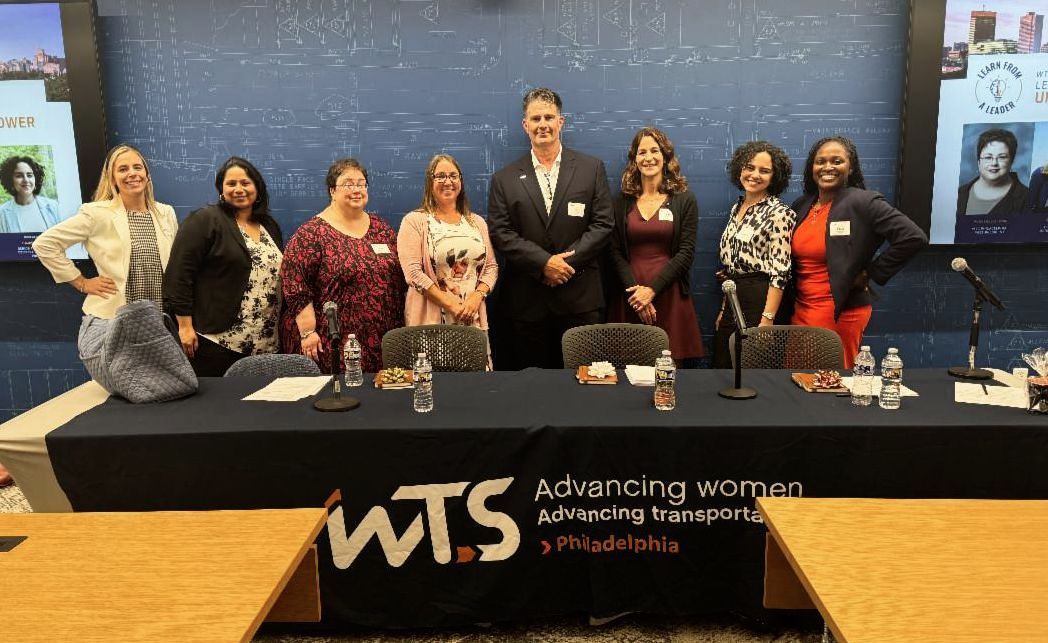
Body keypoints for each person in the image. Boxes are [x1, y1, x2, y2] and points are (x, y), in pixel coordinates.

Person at [488, 87, 614, 368]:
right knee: (532, 386)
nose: (542, 124)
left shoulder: (591, 169)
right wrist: (544, 263)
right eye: (536, 119)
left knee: (584, 383)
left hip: (580, 299)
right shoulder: (504, 179)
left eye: (548, 117)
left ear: (561, 121)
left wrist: (564, 265)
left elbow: (603, 225)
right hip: (527, 304)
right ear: (525, 125)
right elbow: (501, 232)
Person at [790, 136, 927, 368]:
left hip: (839, 310)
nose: (827, 167)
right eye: (820, 161)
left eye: (837, 161)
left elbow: (913, 237)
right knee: (797, 374)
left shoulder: (863, 202)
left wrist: (870, 273)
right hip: (800, 308)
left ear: (851, 167)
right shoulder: (802, 205)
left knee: (829, 379)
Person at [280, 158, 406, 374]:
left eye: (361, 184)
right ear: (332, 190)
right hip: (334, 341)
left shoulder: (381, 228)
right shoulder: (311, 233)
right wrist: (308, 332)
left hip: (383, 337)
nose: (356, 189)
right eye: (348, 184)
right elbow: (295, 284)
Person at [163, 157, 284, 377]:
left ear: (257, 187)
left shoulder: (269, 226)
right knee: (220, 399)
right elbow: (178, 276)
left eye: (245, 183)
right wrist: (185, 327)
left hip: (265, 342)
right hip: (217, 343)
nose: (239, 189)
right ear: (221, 190)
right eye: (231, 184)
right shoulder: (205, 220)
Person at [33, 143, 177, 320]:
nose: (132, 173)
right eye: (123, 169)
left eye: (137, 167)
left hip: (160, 316)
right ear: (112, 179)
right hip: (115, 318)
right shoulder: (97, 213)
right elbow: (45, 244)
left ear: (147, 175)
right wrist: (82, 283)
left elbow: (176, 265)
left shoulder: (165, 213)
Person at [607, 127, 704, 364]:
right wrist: (637, 294)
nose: (648, 158)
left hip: (669, 294)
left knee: (668, 369)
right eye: (642, 152)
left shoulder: (684, 199)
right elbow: (614, 251)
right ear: (634, 159)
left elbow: (686, 252)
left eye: (654, 151)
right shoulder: (620, 202)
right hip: (629, 296)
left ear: (665, 156)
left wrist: (651, 291)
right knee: (627, 367)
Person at [397, 154, 498, 355]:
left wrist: (476, 297)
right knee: (433, 373)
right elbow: (413, 273)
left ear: (461, 181)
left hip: (471, 317)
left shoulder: (476, 222)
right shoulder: (414, 221)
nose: (448, 181)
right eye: (440, 176)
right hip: (431, 321)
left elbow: (491, 268)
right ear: (430, 181)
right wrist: (450, 304)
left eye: (453, 176)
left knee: (475, 373)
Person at [712, 141, 797, 368]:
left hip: (761, 299)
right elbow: (731, 267)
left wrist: (767, 321)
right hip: (733, 296)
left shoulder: (780, 213)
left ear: (774, 177)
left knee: (752, 370)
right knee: (723, 365)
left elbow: (780, 272)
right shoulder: (736, 208)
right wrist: (724, 309)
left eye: (764, 170)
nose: (755, 175)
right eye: (749, 167)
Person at [957, 128, 1029, 216]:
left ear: (1011, 161)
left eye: (1002, 157)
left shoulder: (1027, 197)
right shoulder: (960, 193)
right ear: (979, 161)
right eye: (988, 157)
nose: (994, 163)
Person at [0, 155, 62, 233]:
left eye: (29, 175)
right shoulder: (2, 213)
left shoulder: (53, 206)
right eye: (19, 176)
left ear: (36, 179)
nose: (26, 180)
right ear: (10, 180)